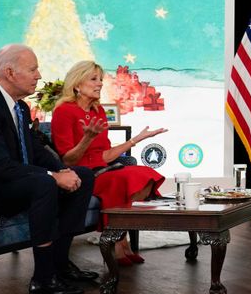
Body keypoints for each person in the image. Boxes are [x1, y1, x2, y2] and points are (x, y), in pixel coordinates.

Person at [0, 44, 97, 294]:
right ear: (9, 72)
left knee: (82, 175)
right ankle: (43, 278)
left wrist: (64, 169)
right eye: (33, 69)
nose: (39, 75)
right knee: (44, 184)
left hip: (14, 181)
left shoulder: (19, 106)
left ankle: (59, 264)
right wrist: (53, 177)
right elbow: (0, 166)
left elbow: (35, 152)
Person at [51, 61, 168, 264]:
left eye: (101, 80)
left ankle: (121, 239)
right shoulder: (64, 111)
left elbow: (106, 154)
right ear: (77, 85)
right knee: (121, 181)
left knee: (145, 174)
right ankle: (117, 243)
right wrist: (87, 139)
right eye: (94, 79)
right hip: (81, 173)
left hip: (103, 167)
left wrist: (136, 140)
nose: (100, 84)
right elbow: (67, 159)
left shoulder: (99, 111)